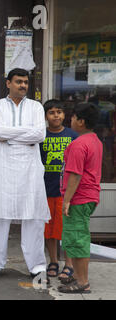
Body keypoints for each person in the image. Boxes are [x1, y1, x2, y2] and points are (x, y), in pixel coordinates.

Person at [0, 68, 50, 282]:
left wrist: (10, 137)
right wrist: (24, 135)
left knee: (33, 218)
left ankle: (37, 266)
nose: (23, 85)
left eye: (25, 82)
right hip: (3, 168)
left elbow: (40, 134)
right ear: (8, 83)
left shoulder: (35, 107)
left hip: (30, 170)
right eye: (18, 81)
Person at [58, 103, 102, 294]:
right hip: (88, 196)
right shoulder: (95, 140)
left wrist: (67, 200)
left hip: (79, 197)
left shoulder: (78, 144)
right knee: (76, 237)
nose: (71, 120)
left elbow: (75, 175)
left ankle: (82, 281)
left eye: (73, 117)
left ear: (81, 121)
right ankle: (76, 276)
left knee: (77, 239)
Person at [40, 99, 78, 281]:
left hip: (66, 192)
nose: (56, 115)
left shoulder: (73, 136)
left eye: (59, 112)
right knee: (49, 230)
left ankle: (69, 264)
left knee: (66, 229)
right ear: (46, 116)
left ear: (64, 115)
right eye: (52, 112)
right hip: (46, 190)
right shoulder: (41, 136)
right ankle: (53, 261)